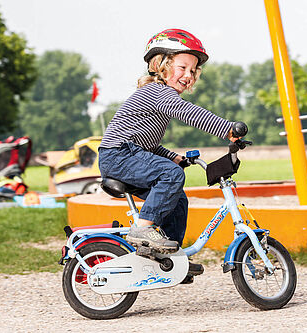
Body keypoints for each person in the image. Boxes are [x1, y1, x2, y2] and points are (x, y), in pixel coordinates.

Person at [98, 29, 241, 254]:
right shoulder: (159, 92)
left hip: (126, 154)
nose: (189, 75)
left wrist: (173, 157)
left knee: (177, 199)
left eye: (193, 70)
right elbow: (189, 112)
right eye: (182, 67)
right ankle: (142, 229)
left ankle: (171, 258)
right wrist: (227, 129)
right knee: (171, 175)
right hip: (118, 155)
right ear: (161, 65)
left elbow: (148, 145)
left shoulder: (159, 97)